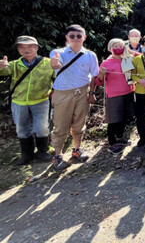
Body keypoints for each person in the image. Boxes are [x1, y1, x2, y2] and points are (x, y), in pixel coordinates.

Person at [49, 25, 99, 170]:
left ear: (84, 37)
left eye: (79, 36)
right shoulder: (58, 52)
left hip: (83, 92)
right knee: (61, 125)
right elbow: (56, 64)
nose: (76, 38)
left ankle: (77, 149)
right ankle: (58, 156)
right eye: (72, 36)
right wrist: (54, 63)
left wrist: (91, 93)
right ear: (67, 38)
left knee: (79, 123)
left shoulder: (90, 55)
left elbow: (93, 76)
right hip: (63, 93)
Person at [0, 36, 54, 165]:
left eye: (30, 46)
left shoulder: (48, 63)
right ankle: (26, 154)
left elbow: (59, 77)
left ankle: (42, 151)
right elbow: (3, 71)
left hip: (41, 100)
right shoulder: (14, 65)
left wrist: (55, 91)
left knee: (42, 128)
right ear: (18, 49)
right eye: (22, 47)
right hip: (19, 101)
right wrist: (0, 66)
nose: (26, 49)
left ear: (36, 47)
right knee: (22, 129)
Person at [95, 39, 135, 155]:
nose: (119, 48)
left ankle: (120, 136)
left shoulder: (127, 60)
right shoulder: (106, 62)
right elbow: (98, 82)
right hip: (114, 94)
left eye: (121, 46)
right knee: (113, 119)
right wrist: (101, 74)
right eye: (116, 46)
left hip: (128, 91)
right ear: (110, 48)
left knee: (124, 117)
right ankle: (112, 142)